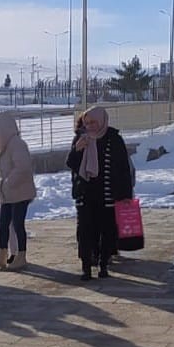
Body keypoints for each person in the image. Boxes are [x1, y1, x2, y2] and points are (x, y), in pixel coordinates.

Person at [66, 106, 133, 280]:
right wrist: (77, 150)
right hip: (86, 194)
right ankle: (86, 267)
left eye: (94, 122)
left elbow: (124, 169)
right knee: (85, 231)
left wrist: (125, 195)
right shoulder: (81, 138)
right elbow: (71, 164)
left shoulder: (114, 138)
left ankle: (103, 264)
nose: (91, 126)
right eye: (87, 123)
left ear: (102, 121)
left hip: (108, 194)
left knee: (107, 230)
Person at [0, 111, 35, 271]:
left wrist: (7, 183)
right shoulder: (2, 144)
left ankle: (21, 255)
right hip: (7, 194)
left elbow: (23, 167)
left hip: (19, 193)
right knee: (3, 224)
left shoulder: (17, 144)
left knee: (18, 224)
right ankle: (2, 254)